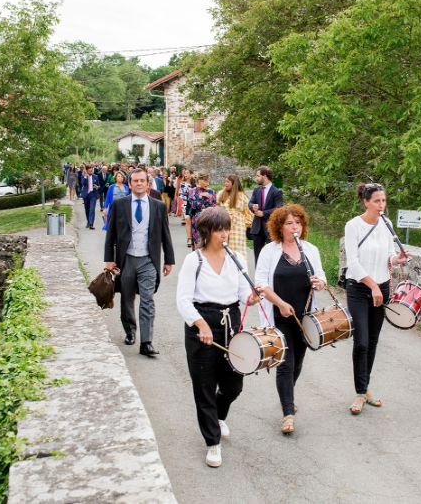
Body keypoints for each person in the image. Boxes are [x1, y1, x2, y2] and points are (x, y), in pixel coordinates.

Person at [176, 206, 256, 468]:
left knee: (234, 385)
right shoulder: (194, 260)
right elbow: (183, 300)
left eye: (226, 228)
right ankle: (212, 443)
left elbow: (244, 293)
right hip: (202, 323)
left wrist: (253, 297)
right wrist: (200, 324)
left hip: (230, 322)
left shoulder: (236, 258)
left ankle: (219, 416)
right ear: (206, 231)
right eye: (219, 229)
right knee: (205, 386)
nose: (224, 234)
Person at [255, 204, 326, 434]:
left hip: (305, 317)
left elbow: (322, 277)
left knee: (298, 362)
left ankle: (287, 395)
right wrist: (280, 303)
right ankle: (288, 413)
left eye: (297, 222)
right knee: (285, 363)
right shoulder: (269, 251)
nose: (294, 227)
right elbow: (261, 284)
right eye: (289, 223)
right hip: (280, 315)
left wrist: (320, 283)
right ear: (279, 227)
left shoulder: (311, 250)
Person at [344, 183, 409, 415]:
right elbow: (353, 262)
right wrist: (372, 286)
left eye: (384, 201)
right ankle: (360, 391)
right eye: (377, 201)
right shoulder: (353, 226)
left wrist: (397, 259)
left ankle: (364, 388)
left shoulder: (387, 224)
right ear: (366, 202)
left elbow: (388, 256)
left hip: (381, 287)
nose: (382, 205)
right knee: (361, 341)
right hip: (360, 288)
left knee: (372, 341)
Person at [104, 168, 175, 357]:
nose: (139, 184)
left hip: (148, 260)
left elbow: (165, 234)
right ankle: (130, 330)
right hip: (126, 259)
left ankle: (147, 342)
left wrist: (169, 259)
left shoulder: (158, 206)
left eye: (142, 180)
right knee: (127, 299)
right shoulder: (120, 205)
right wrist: (109, 259)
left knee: (147, 300)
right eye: (135, 181)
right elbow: (110, 234)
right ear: (130, 184)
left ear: (148, 184)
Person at [248, 166, 283, 262]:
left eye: (258, 176)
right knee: (257, 257)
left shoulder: (277, 192)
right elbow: (250, 203)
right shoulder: (256, 190)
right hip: (257, 228)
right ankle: (257, 276)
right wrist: (253, 206)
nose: (256, 178)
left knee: (272, 256)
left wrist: (264, 213)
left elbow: (279, 208)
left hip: (270, 228)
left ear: (265, 176)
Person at [218, 174, 252, 254]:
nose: (225, 183)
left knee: (238, 251)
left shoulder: (242, 196)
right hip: (223, 225)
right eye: (225, 181)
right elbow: (217, 208)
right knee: (223, 250)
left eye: (228, 182)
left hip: (238, 227)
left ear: (234, 183)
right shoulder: (221, 194)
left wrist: (244, 224)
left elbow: (248, 213)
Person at [186, 173, 217, 250]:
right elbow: (193, 205)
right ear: (199, 181)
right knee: (197, 243)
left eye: (208, 181)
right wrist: (200, 197)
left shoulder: (212, 192)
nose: (208, 183)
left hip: (209, 219)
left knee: (209, 243)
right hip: (197, 220)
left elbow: (214, 205)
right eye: (205, 181)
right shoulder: (192, 191)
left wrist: (207, 200)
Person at [80, 165, 100, 230]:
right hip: (86, 195)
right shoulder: (84, 176)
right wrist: (85, 176)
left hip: (93, 195)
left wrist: (97, 187)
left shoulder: (95, 176)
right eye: (90, 171)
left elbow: (98, 185)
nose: (91, 171)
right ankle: (88, 221)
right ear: (87, 170)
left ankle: (91, 224)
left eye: (92, 170)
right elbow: (83, 183)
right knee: (87, 209)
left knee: (92, 209)